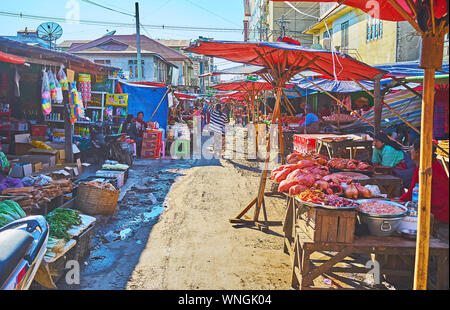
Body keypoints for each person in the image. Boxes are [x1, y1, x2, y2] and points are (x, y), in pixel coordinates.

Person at [400, 139, 449, 226]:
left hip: (439, 211)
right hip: (444, 207)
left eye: (412, 148)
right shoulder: (434, 163)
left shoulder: (424, 168)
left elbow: (413, 192)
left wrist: (399, 201)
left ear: (418, 152)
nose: (410, 151)